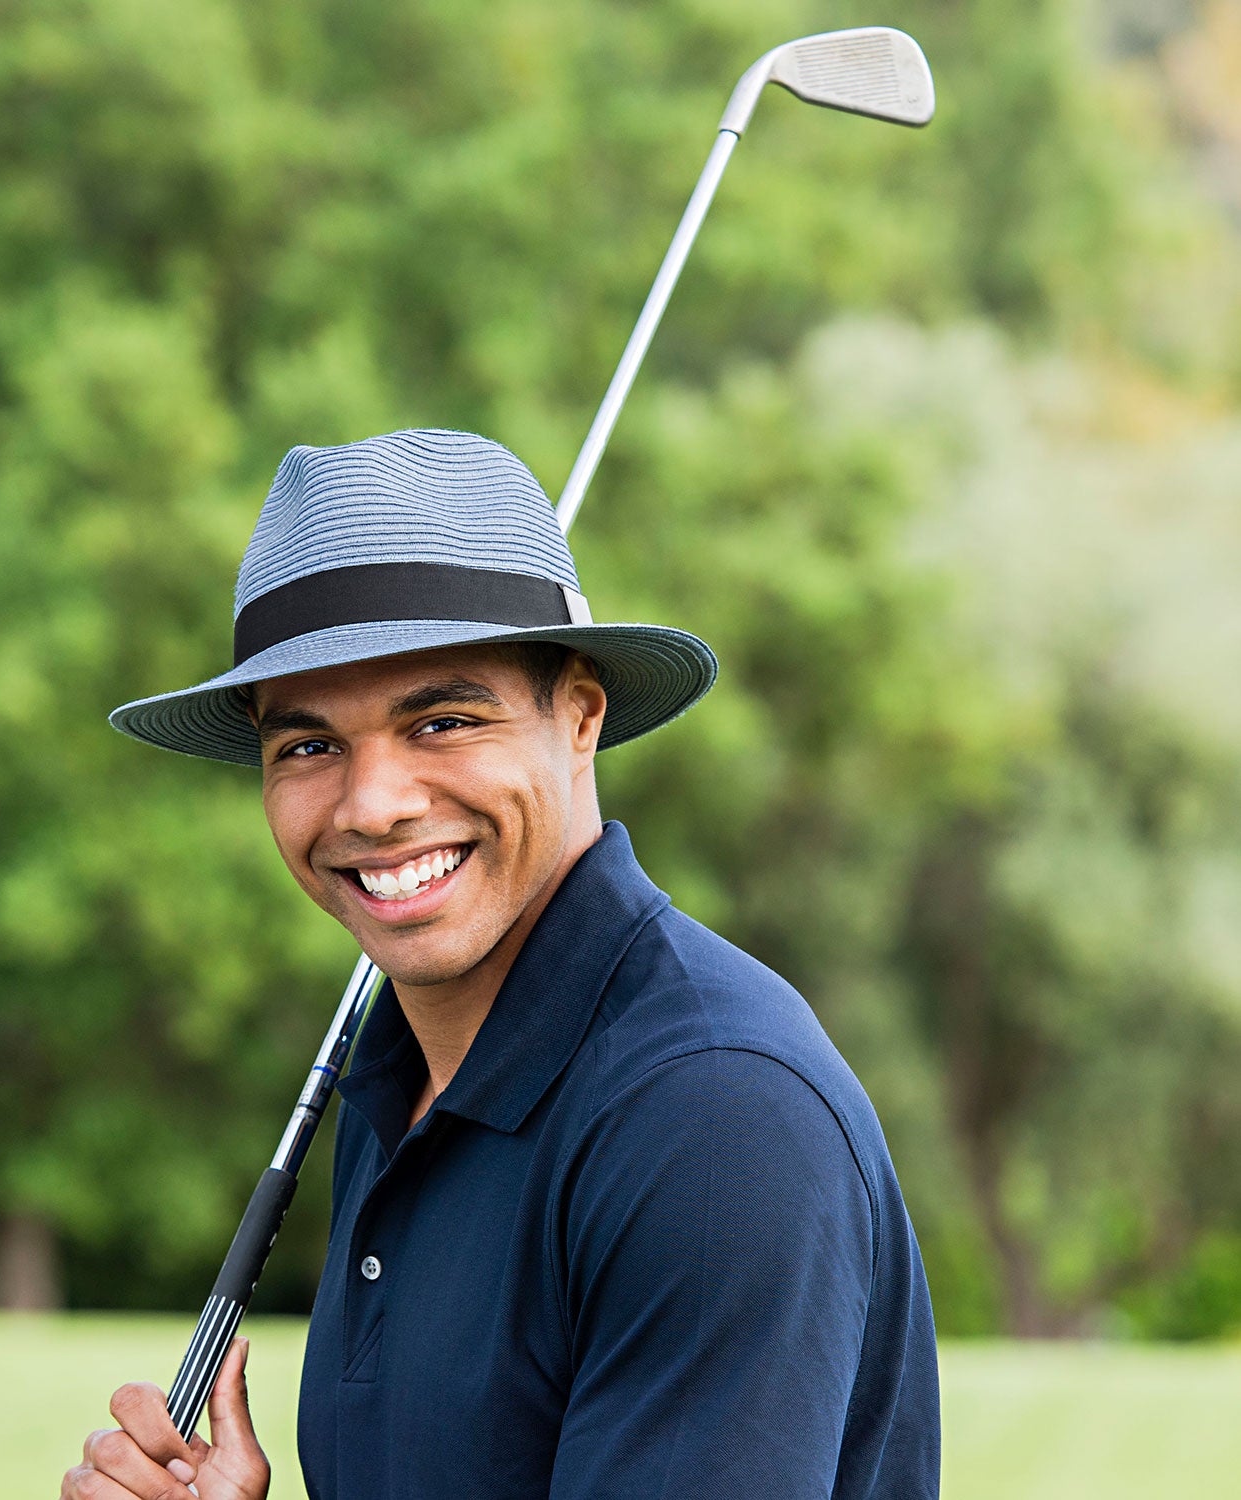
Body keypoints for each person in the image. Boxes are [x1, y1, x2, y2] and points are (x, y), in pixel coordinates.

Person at [63, 429, 939, 1500]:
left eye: (441, 720)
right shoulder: (402, 1076)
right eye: (307, 745)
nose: (372, 805)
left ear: (578, 716)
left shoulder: (713, 1118)